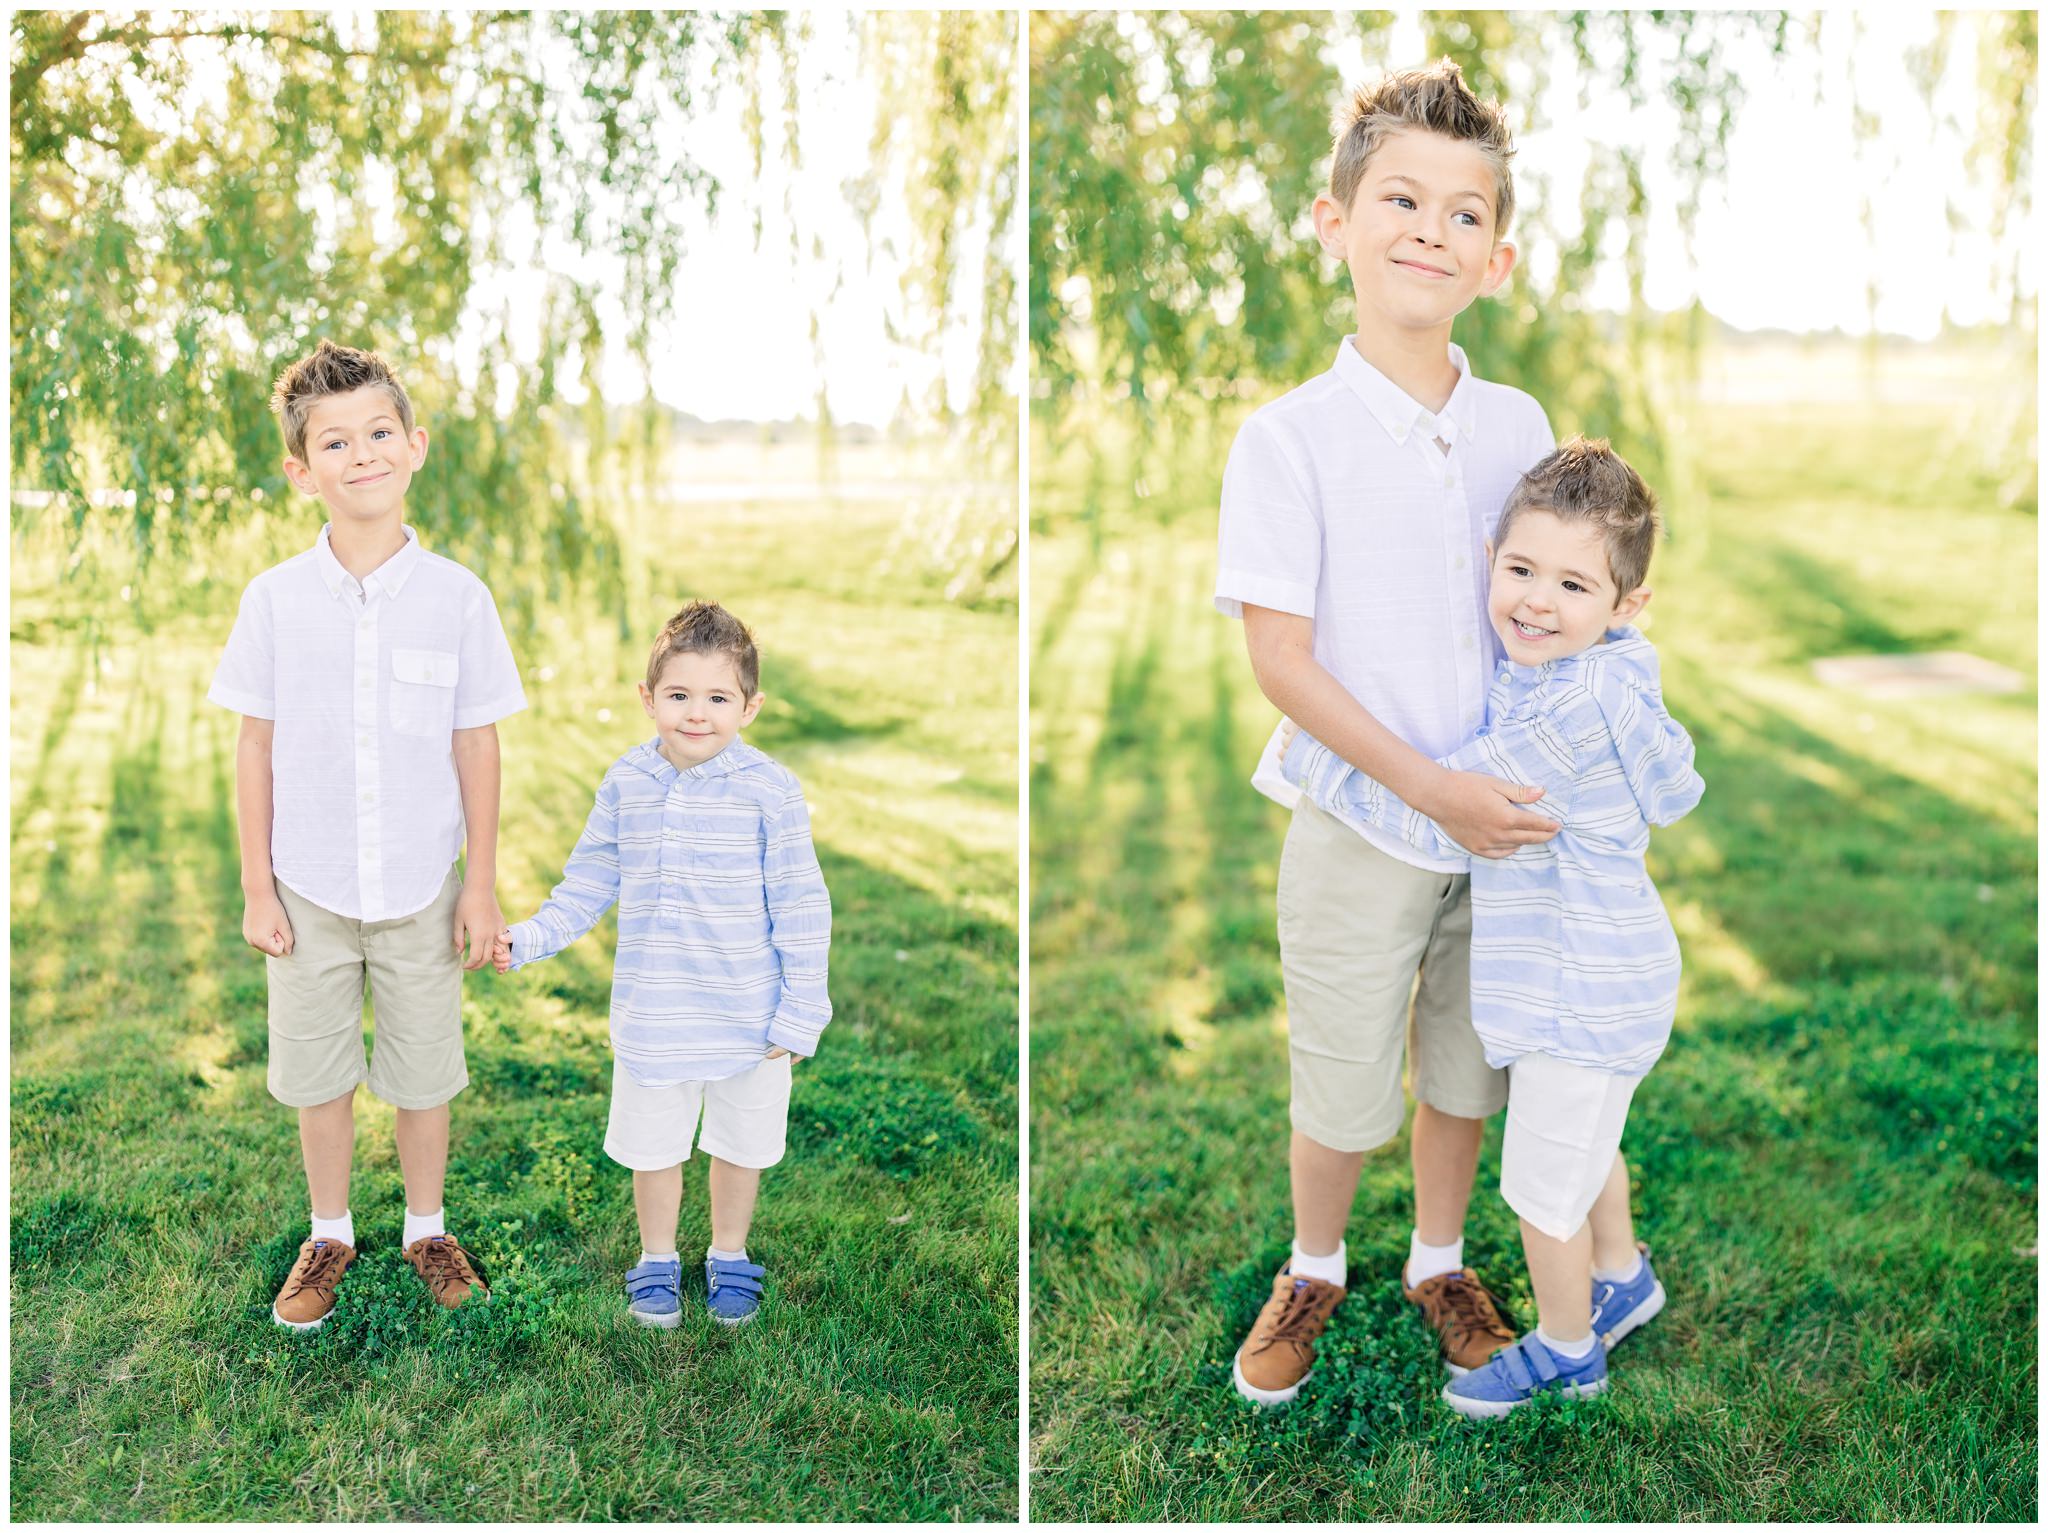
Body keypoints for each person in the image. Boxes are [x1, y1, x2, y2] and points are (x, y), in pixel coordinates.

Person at [1216, 59, 1560, 1405]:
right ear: (1334, 222)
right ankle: (1314, 1262)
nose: (1430, 227)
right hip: (1364, 817)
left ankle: (1435, 1259)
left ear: (1498, 256)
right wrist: (1430, 786)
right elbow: (1280, 660)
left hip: (1504, 827)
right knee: (1346, 1069)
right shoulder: (1290, 438)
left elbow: (1556, 604)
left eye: (1463, 212)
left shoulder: (1518, 426)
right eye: (1400, 198)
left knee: (1464, 1064)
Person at [1283, 436, 1704, 1416]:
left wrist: (1315, 756)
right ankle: (1623, 1279)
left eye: (1570, 584)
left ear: (1623, 607)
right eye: (1518, 570)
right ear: (1490, 561)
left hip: (1576, 990)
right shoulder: (1601, 674)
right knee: (1583, 1141)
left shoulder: (1563, 715)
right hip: (1613, 976)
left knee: (1538, 1191)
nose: (1533, 601)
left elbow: (1438, 800)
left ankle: (1567, 1350)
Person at [210, 339, 526, 1330]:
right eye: (334, 442)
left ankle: (425, 1227)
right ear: (302, 470)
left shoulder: (457, 598)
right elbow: (253, 748)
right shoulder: (273, 600)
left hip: (422, 882)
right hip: (307, 884)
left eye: (379, 433)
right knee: (318, 1069)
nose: (362, 455)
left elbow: (476, 746)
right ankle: (330, 1230)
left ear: (415, 445)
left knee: (424, 1067)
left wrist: (478, 885)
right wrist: (259, 888)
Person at [494, 601, 832, 1327]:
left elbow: (803, 903)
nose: (697, 713)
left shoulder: (769, 789)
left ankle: (731, 1253)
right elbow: (589, 882)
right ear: (648, 698)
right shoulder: (627, 782)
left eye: (718, 698)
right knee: (655, 1143)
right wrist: (526, 938)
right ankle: (656, 1258)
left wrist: (802, 1007)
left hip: (750, 1013)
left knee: (741, 1141)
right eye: (679, 695)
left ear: (750, 706)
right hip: (656, 1009)